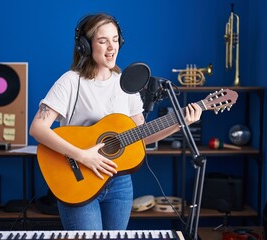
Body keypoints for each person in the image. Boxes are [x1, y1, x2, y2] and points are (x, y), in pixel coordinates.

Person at [29, 13, 202, 231]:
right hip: (78, 178)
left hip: (119, 183)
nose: (112, 47)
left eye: (115, 39)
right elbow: (37, 128)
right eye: (102, 41)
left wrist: (180, 123)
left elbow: (142, 135)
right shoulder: (70, 82)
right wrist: (83, 155)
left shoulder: (126, 84)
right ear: (84, 45)